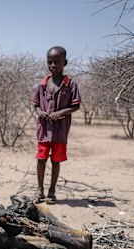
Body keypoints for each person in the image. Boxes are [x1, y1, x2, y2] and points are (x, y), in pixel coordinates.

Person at [32, 46, 81, 204]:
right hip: (44, 130)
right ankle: (39, 190)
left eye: (57, 62)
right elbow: (36, 104)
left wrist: (60, 113)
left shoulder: (71, 85)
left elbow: (76, 106)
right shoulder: (42, 84)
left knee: (56, 161)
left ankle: (52, 192)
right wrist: (39, 111)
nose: (53, 65)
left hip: (60, 131)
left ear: (65, 63)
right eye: (50, 62)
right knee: (41, 159)